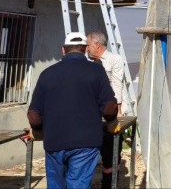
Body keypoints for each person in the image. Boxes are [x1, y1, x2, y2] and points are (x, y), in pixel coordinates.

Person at [27, 32, 118, 189]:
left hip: (54, 142)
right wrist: (111, 120)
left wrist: (38, 129)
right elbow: (109, 108)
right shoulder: (96, 71)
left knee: (56, 185)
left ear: (63, 50)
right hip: (86, 142)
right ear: (85, 50)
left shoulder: (47, 74)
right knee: (78, 185)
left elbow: (34, 115)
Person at [86, 31, 126, 189]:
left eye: (88, 45)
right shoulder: (87, 61)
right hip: (91, 113)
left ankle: (108, 183)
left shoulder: (114, 60)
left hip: (109, 111)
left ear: (97, 45)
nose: (86, 48)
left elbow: (117, 85)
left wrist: (117, 110)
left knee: (111, 151)